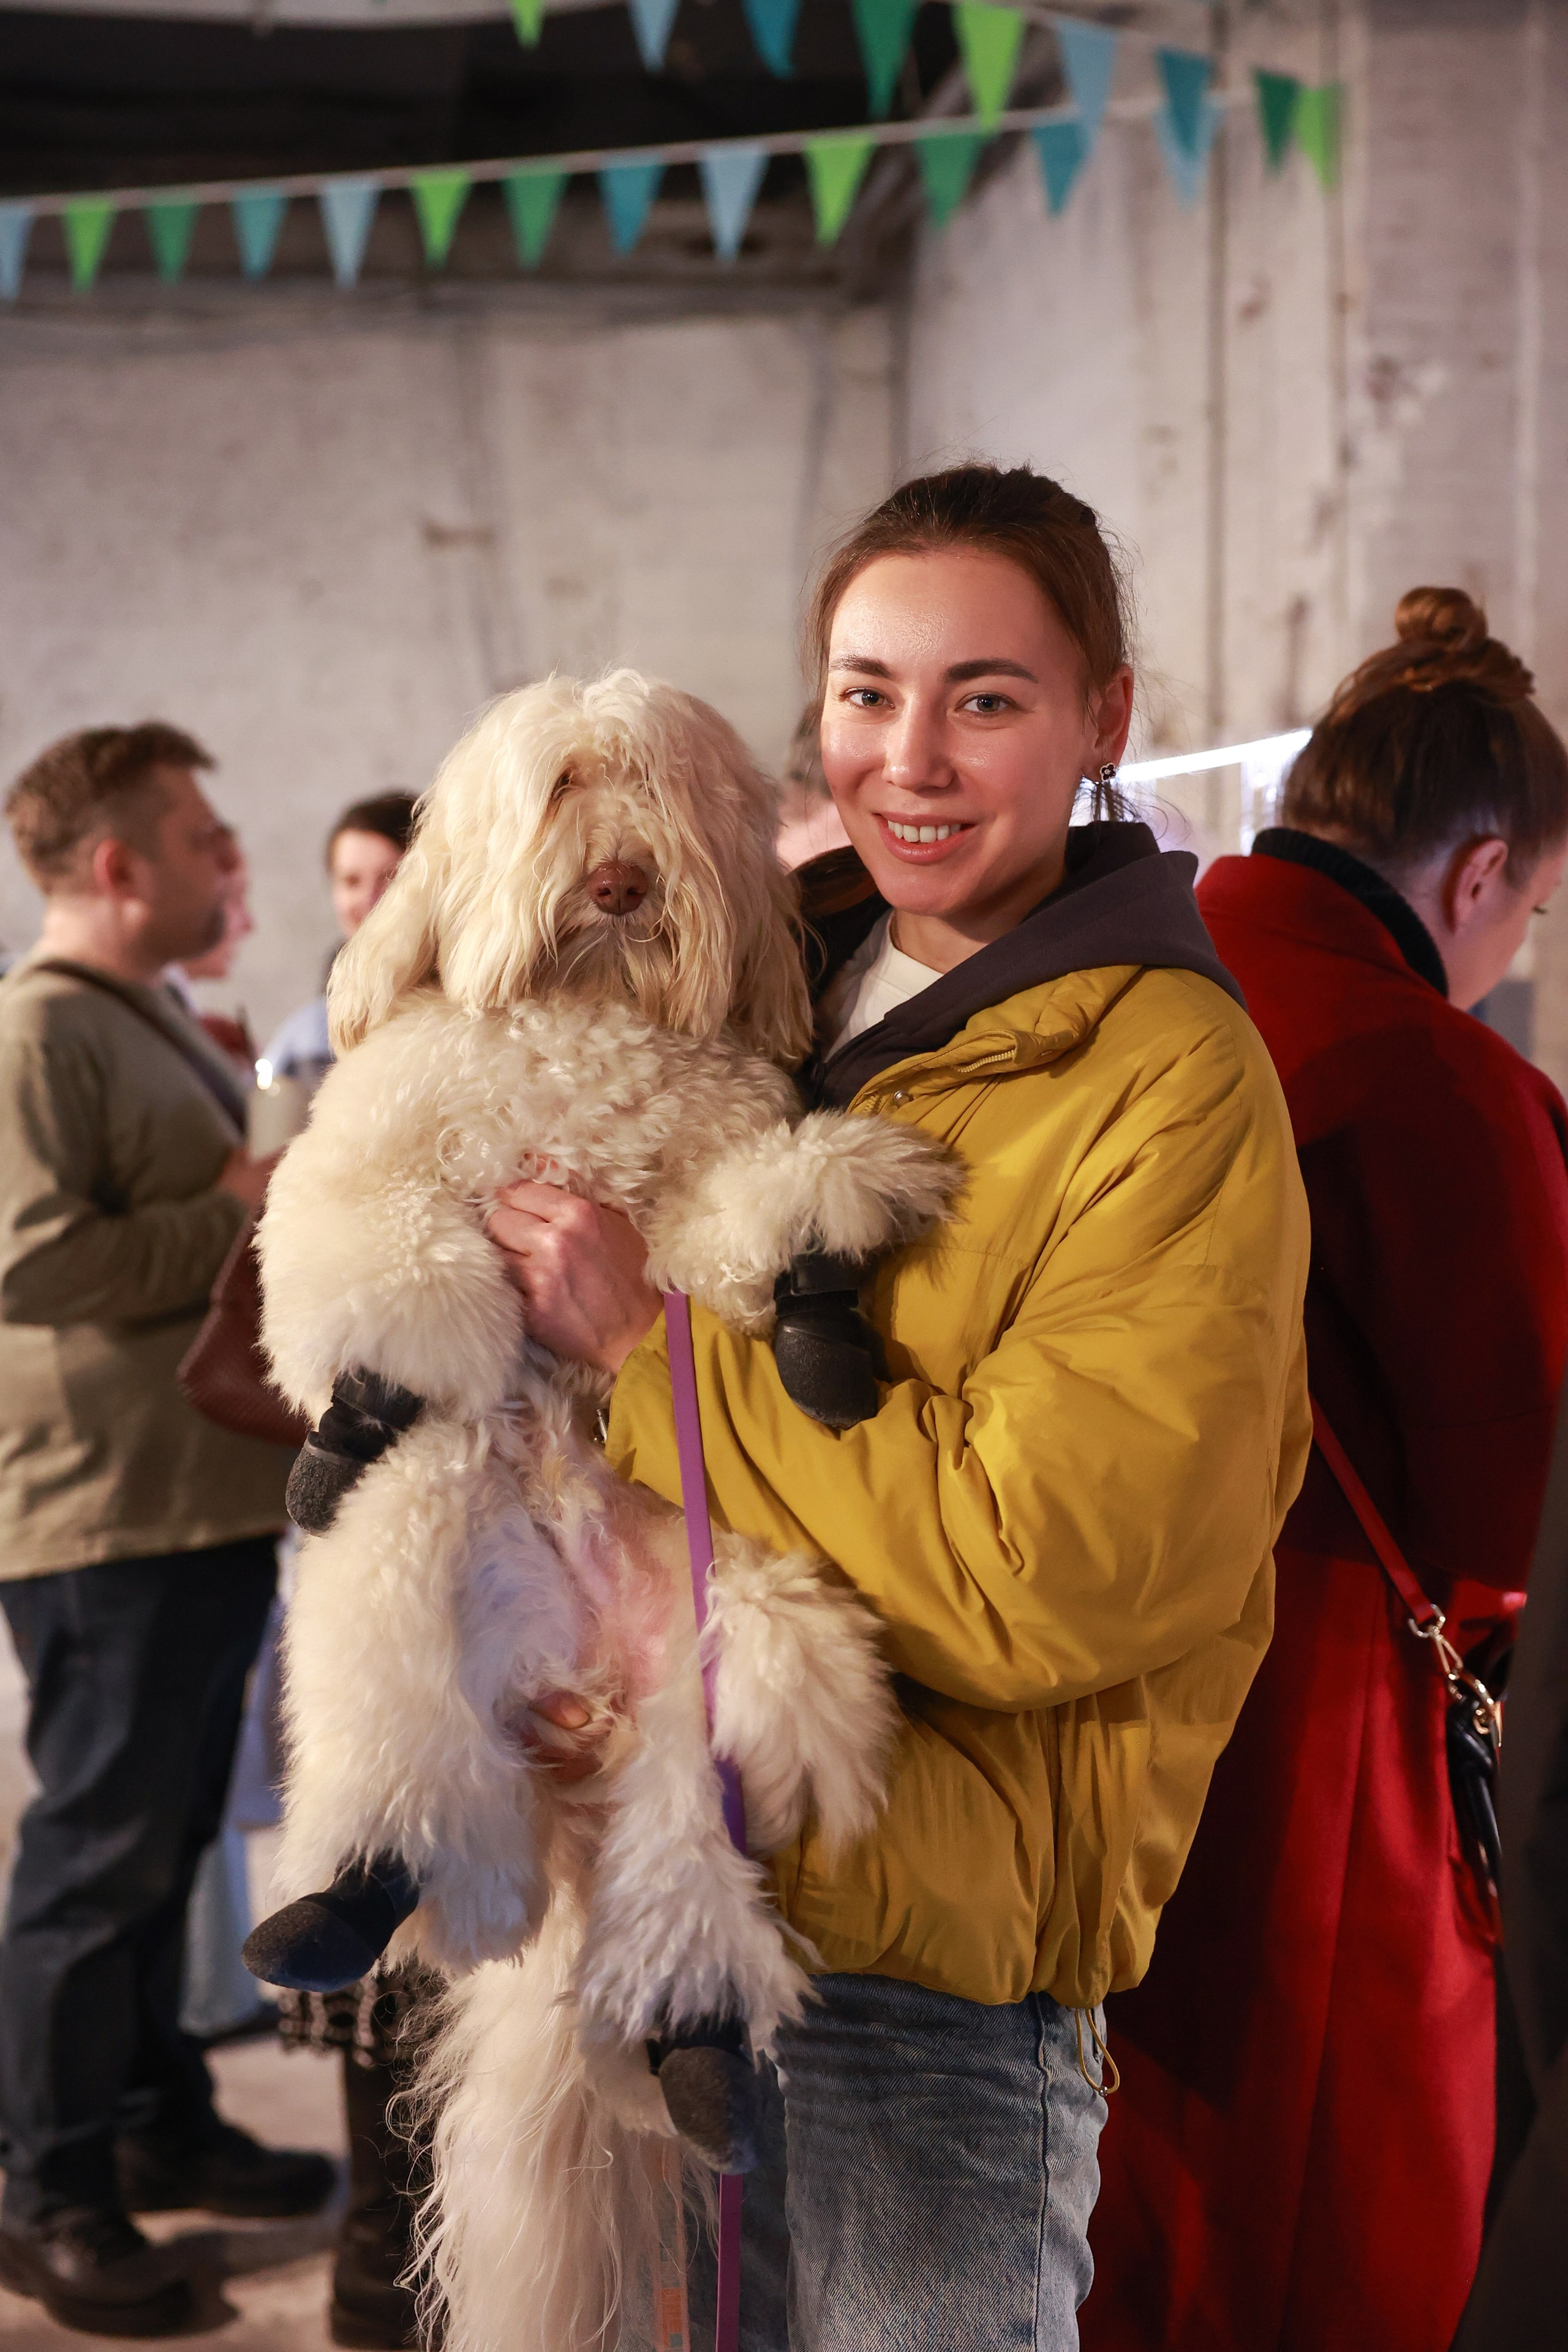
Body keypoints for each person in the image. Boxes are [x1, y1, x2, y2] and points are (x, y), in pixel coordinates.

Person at [481, 463, 1313, 2348]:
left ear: (1107, 718)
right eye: (866, 691)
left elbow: (1048, 1566)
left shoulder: (1166, 1081)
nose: (911, 759)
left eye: (985, 697)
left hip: (927, 1987)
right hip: (664, 1893)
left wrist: (649, 1357)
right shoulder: (768, 989)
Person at [1084, 590, 1568, 2352]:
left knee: (1138, 2179)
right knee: (1318, 2218)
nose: (1514, 948)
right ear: (1480, 870)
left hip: (1095, 1682)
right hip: (1320, 1731)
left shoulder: (1138, 988)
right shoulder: (1430, 1073)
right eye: (1527, 911)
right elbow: (1510, 1507)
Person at [0, 725, 334, 2339]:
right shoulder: (36, 1033)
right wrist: (251, 1197)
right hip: (100, 1517)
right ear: (119, 865)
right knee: (96, 1853)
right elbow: (29, 1264)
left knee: (159, 1841)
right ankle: (46, 2187)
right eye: (201, 839)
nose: (228, 862)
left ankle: (154, 2122)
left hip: (182, 1505)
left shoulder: (137, 1023)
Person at [262, 794, 417, 1096]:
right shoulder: (306, 1042)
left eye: (392, 878)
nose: (371, 900)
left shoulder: (481, 1008)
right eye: (352, 882)